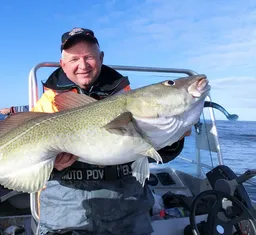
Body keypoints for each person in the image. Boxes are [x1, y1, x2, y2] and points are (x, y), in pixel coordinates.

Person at [30, 27, 189, 235]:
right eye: (74, 59)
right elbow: (32, 167)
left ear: (101, 57)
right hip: (66, 208)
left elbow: (154, 153)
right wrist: (54, 166)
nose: (83, 65)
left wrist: (173, 139)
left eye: (89, 57)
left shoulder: (130, 98)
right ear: (63, 64)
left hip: (126, 206)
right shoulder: (45, 106)